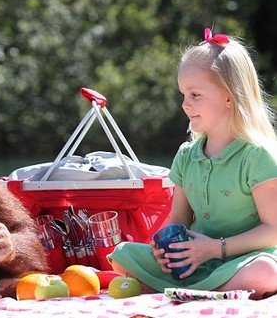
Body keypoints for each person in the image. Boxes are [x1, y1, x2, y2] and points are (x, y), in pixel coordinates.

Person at [108, 28, 277, 300]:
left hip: (244, 260)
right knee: (122, 256)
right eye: (183, 95)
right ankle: (207, 291)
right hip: (196, 263)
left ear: (229, 97)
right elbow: (178, 220)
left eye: (195, 95)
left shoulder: (256, 157)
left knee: (266, 272)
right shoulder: (187, 155)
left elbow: (274, 230)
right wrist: (162, 250)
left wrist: (215, 249)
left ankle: (193, 292)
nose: (185, 105)